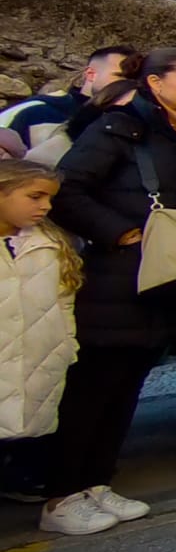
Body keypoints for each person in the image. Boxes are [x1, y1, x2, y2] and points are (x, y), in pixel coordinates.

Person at [45, 49, 176, 533]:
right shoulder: (118, 128)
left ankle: (97, 482)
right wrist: (119, 232)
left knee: (129, 382)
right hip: (119, 275)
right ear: (156, 82)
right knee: (94, 385)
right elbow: (65, 190)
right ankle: (62, 495)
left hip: (173, 273)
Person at [0, 159, 81, 453]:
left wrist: (66, 345)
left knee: (18, 437)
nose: (46, 206)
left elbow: (64, 300)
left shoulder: (51, 244)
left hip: (36, 361)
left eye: (49, 198)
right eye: (35, 197)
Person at [0, 47, 140, 157]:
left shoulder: (139, 121)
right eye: (121, 76)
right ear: (90, 74)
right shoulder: (34, 110)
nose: (128, 85)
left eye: (135, 79)